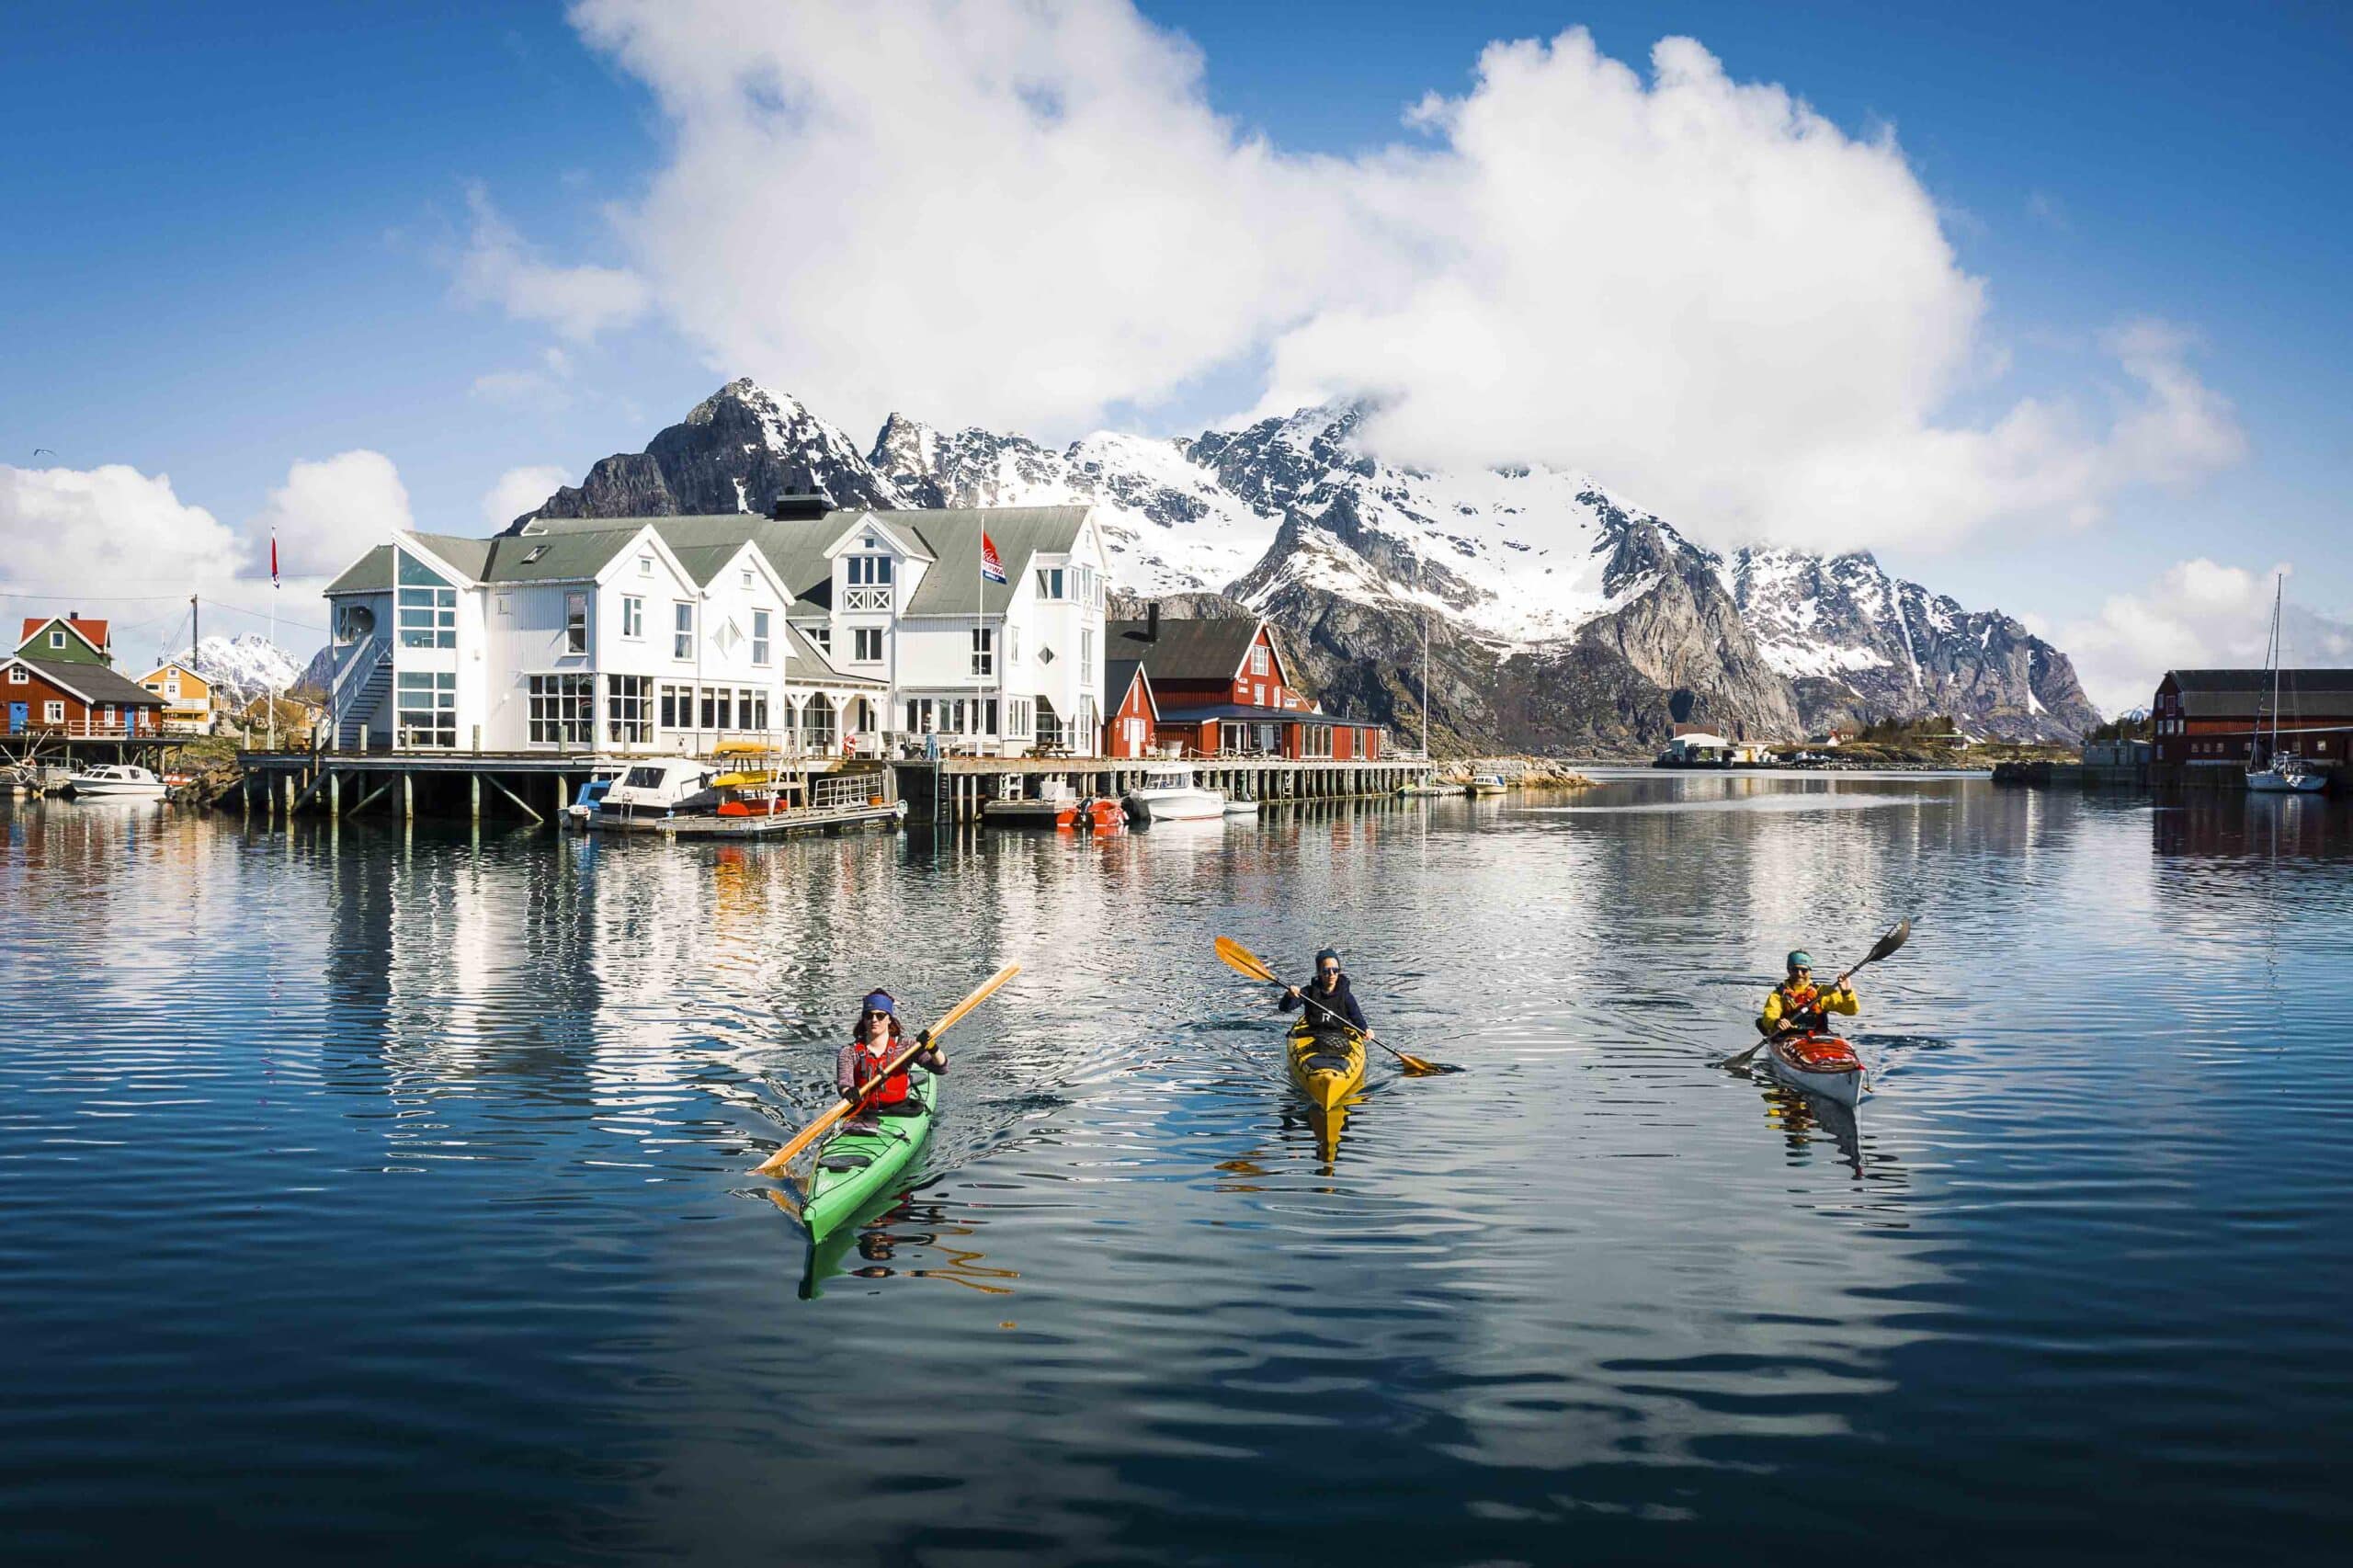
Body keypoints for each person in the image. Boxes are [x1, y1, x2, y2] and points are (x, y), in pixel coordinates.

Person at [836, 990, 947, 1124]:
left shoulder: (906, 1046)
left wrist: (932, 1047)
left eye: (880, 1015)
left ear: (889, 1019)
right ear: (864, 1019)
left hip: (900, 1110)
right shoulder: (849, 1052)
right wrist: (848, 1092)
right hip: (864, 1111)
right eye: (869, 1015)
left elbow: (941, 1068)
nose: (874, 1020)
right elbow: (844, 1083)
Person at [1756, 950, 1859, 1038]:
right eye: (1795, 970)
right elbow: (1769, 1014)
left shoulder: (1823, 992)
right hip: (1788, 1036)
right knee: (1762, 1022)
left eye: (1804, 970)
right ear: (1788, 970)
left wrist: (1847, 992)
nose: (1799, 974)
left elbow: (1851, 1011)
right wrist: (1776, 1022)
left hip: (1818, 1036)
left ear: (1810, 971)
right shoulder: (1778, 995)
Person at [1279, 948, 1375, 1042]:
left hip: (1340, 1035)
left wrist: (1365, 1029)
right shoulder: (1309, 992)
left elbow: (1356, 1016)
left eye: (1335, 970)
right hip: (1313, 1035)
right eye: (1326, 971)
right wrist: (1289, 996)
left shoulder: (1345, 995)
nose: (1331, 974)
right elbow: (1284, 1008)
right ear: (1319, 972)